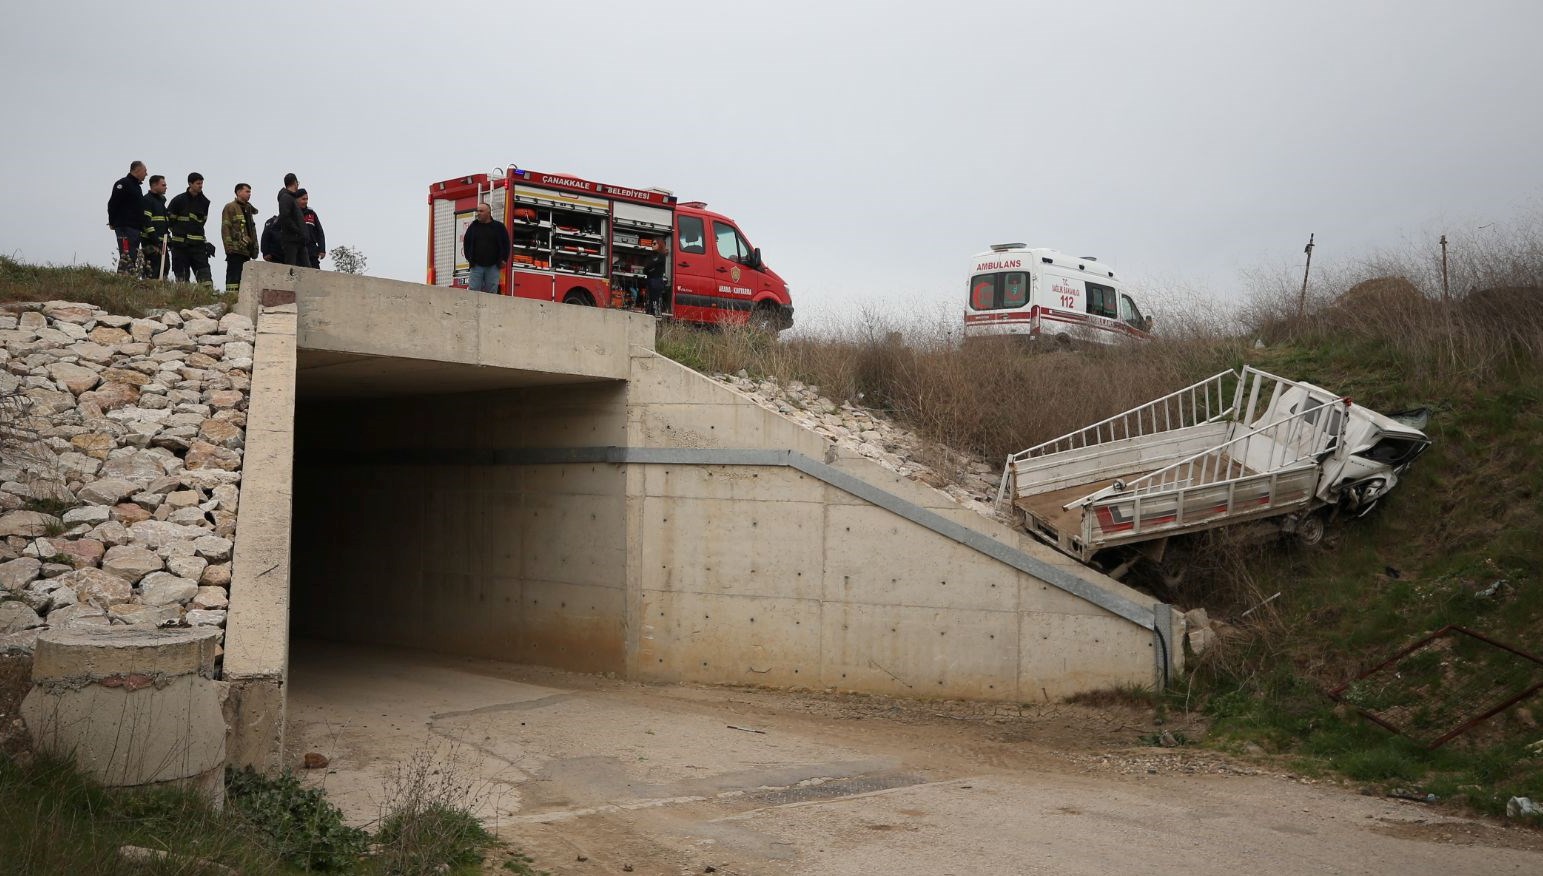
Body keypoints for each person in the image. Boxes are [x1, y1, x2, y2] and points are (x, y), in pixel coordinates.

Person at [166, 172, 213, 286]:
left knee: (205, 278)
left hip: (198, 247)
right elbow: (169, 221)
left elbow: (202, 223)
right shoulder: (178, 200)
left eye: (201, 183)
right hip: (180, 246)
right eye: (198, 183)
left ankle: (207, 295)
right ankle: (184, 296)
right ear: (190, 184)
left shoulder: (205, 202)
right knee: (182, 279)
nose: (200, 186)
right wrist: (177, 234)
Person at [107, 160, 147, 274]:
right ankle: (123, 279)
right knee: (127, 255)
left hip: (135, 228)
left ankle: (128, 279)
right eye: (145, 171)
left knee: (132, 255)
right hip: (125, 227)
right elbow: (113, 203)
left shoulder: (137, 187)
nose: (146, 174)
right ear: (137, 170)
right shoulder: (123, 183)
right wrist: (112, 222)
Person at [461, 201, 509, 293]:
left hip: (493, 266)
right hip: (476, 266)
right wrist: (469, 258)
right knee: (473, 291)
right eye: (477, 211)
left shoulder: (499, 227)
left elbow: (506, 244)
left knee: (492, 291)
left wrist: (504, 259)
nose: (478, 213)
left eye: (481, 211)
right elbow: (466, 243)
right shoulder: (473, 227)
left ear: (488, 213)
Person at [221, 183, 259, 293]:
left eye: (250, 192)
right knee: (234, 277)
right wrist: (228, 246)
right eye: (247, 191)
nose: (249, 194)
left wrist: (255, 248)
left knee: (244, 279)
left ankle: (240, 299)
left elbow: (252, 231)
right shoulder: (230, 207)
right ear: (238, 192)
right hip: (235, 250)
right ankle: (231, 297)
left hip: (246, 251)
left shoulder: (248, 210)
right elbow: (226, 227)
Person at [139, 174, 170, 280]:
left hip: (162, 242)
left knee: (164, 268)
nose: (166, 187)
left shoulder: (161, 202)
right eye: (163, 185)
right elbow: (146, 222)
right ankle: (149, 289)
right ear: (154, 185)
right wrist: (155, 240)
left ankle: (160, 290)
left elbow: (164, 224)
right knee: (152, 269)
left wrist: (168, 240)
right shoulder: (147, 200)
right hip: (150, 242)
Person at [276, 173, 307, 266]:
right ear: (295, 183)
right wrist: (297, 230)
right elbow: (285, 217)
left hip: (299, 240)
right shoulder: (286, 197)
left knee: (307, 268)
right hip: (291, 240)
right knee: (291, 267)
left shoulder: (292, 198)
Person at [298, 190, 326, 269]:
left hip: (312, 251)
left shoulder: (311, 213)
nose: (306, 201)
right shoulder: (292, 212)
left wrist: (322, 249)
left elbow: (320, 232)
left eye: (307, 199)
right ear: (296, 199)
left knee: (316, 273)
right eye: (303, 199)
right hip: (297, 251)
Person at [642, 238, 670, 315]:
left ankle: (654, 315)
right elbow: (646, 268)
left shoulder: (661, 256)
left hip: (656, 281)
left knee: (655, 301)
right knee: (650, 301)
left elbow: (651, 265)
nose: (652, 245)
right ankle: (650, 313)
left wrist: (649, 268)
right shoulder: (652, 255)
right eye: (652, 243)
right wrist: (649, 268)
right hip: (650, 280)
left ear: (659, 245)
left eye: (654, 244)